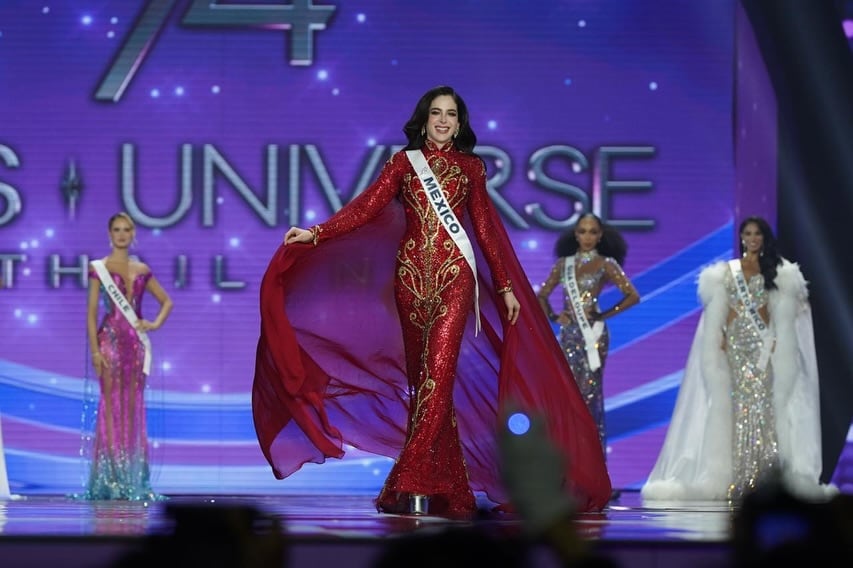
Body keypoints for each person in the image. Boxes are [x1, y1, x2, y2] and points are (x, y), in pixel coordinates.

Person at [252, 85, 611, 518]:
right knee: (424, 381)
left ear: (460, 124)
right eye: (437, 113)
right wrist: (318, 233)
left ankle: (410, 477)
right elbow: (366, 207)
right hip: (409, 282)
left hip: (454, 281)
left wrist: (505, 288)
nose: (443, 121)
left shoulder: (470, 169)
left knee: (439, 376)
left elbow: (485, 232)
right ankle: (446, 481)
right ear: (423, 120)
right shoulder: (404, 164)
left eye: (452, 115)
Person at [642, 216, 836, 503]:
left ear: (764, 237)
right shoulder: (726, 272)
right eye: (747, 233)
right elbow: (715, 315)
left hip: (765, 351)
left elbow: (795, 310)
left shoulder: (780, 272)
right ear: (741, 237)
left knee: (765, 413)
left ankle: (764, 479)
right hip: (734, 350)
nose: (752, 238)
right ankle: (736, 479)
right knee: (735, 411)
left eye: (757, 233)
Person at [83, 212, 173, 500]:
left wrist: (154, 323)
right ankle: (109, 480)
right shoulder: (100, 268)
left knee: (133, 407)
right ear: (109, 234)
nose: (121, 234)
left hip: (135, 345)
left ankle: (132, 478)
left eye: (126, 229)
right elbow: (91, 312)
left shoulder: (142, 269)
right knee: (110, 406)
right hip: (109, 340)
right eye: (117, 229)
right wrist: (95, 350)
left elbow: (166, 301)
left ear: (133, 234)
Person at [536, 213, 640, 457]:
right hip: (569, 335)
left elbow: (632, 295)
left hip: (593, 335)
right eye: (583, 231)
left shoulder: (606, 264)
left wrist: (604, 314)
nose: (587, 236)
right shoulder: (564, 264)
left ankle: (594, 467)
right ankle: (569, 464)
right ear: (575, 234)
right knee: (567, 394)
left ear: (600, 235)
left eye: (593, 231)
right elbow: (542, 295)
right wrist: (553, 316)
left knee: (590, 395)